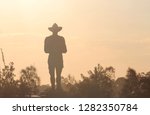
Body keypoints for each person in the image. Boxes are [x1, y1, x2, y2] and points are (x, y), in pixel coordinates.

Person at [44, 23, 67, 91]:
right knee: (52, 75)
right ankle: (53, 88)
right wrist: (55, 50)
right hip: (54, 59)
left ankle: (57, 88)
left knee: (58, 75)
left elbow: (65, 50)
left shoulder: (60, 39)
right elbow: (45, 50)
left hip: (56, 59)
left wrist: (56, 49)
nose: (55, 31)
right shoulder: (49, 39)